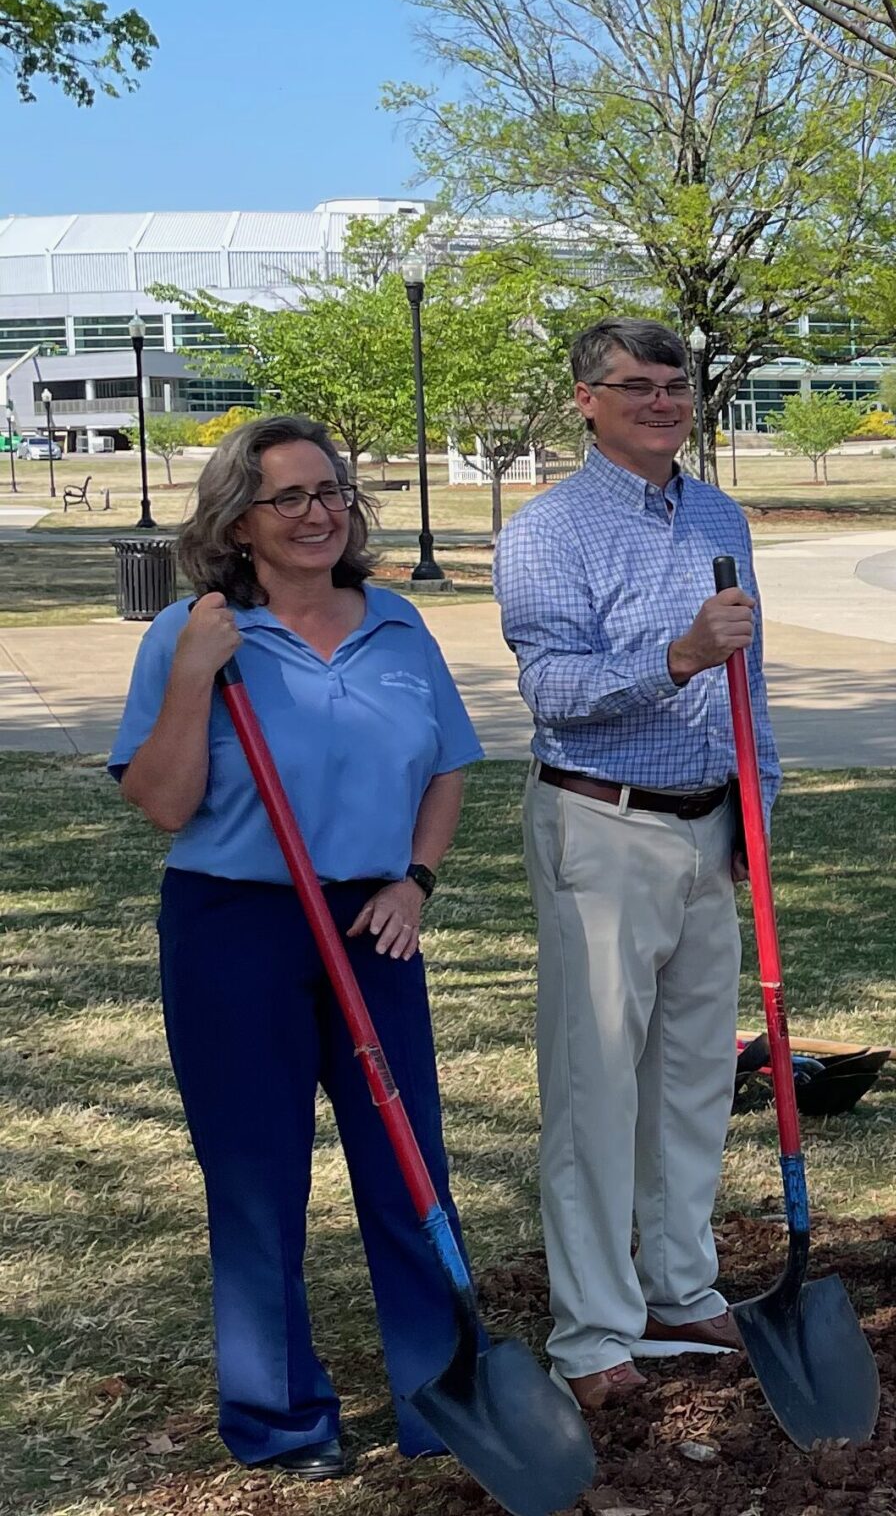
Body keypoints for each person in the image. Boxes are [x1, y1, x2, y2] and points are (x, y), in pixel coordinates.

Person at [110, 415, 483, 1480]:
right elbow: (164, 803)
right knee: (257, 1176)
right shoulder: (192, 629)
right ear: (239, 520)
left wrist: (415, 881)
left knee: (410, 1165)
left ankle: (444, 1393)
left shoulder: (399, 622)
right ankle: (281, 1419)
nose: (321, 513)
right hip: (236, 925)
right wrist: (194, 676)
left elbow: (450, 761)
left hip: (373, 924)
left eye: (333, 492)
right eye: (292, 498)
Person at [494, 317, 778, 1411]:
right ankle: (593, 1325)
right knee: (595, 1083)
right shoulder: (547, 530)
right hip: (601, 824)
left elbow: (751, 680)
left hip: (711, 821)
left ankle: (677, 1281)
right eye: (635, 386)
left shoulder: (715, 512)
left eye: (675, 385)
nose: (662, 402)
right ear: (586, 400)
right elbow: (551, 691)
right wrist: (676, 655)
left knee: (698, 1075)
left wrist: (760, 807)